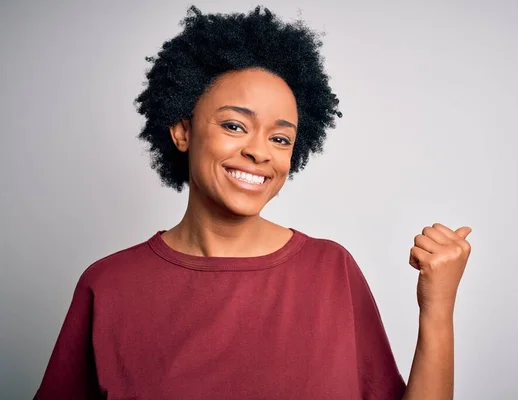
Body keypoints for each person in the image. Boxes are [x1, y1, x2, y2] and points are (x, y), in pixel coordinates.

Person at [35, 6, 472, 400]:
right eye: (234, 125)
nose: (260, 151)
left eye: (280, 137)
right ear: (182, 131)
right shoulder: (109, 285)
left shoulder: (331, 271)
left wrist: (438, 308)